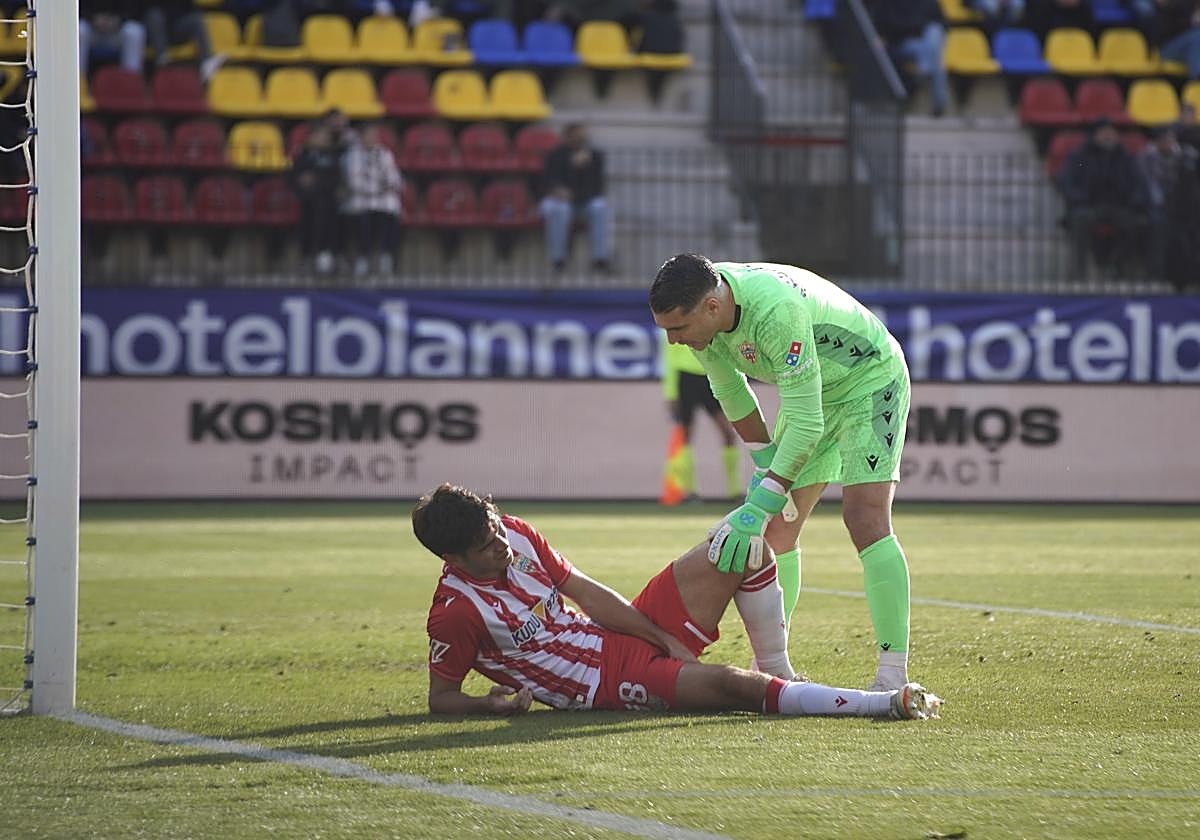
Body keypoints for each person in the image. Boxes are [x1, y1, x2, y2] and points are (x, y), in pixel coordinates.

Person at [415, 483, 942, 719]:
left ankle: (783, 672)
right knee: (734, 686)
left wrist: (659, 635)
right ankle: (885, 705)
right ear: (454, 558)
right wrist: (492, 704)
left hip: (618, 635)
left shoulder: (515, 532)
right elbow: (442, 697)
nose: (501, 544)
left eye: (495, 528)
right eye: (486, 546)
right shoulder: (456, 612)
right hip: (601, 685)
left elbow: (586, 592)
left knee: (741, 547)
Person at [649, 255, 916, 692]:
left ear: (711, 308)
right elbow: (734, 396)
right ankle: (773, 670)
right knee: (777, 530)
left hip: (870, 380)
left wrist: (762, 498)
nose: (674, 341)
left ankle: (893, 673)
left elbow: (807, 423)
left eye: (678, 328)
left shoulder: (774, 310)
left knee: (864, 520)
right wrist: (765, 470)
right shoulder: (707, 330)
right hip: (812, 394)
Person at [1056, 118, 1150, 278]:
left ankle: (1121, 271)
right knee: (1079, 221)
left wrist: (1135, 201)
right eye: (1104, 132)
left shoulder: (1125, 156)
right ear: (1094, 135)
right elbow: (1065, 181)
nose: (1109, 136)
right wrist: (1079, 199)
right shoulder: (1080, 156)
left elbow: (1140, 184)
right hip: (1089, 206)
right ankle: (1079, 274)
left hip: (1119, 206)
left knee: (1134, 225)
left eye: (1111, 132)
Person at [660, 333, 742, 502]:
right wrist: (671, 392)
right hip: (685, 377)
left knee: (728, 432)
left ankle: (734, 490)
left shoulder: (709, 316)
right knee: (686, 435)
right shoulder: (676, 322)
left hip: (710, 375)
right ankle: (691, 491)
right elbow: (669, 357)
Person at [540, 123, 613, 273]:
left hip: (583, 201)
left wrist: (580, 168)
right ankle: (558, 259)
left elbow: (597, 188)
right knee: (560, 209)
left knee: (600, 206)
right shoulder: (555, 154)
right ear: (567, 137)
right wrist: (559, 189)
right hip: (557, 201)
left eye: (582, 137)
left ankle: (600, 258)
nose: (579, 140)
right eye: (575, 136)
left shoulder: (594, 156)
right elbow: (547, 181)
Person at [867, 0, 948, 117]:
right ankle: (929, 82)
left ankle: (924, 69)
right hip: (901, 43)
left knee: (935, 32)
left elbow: (943, 23)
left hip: (925, 43)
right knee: (936, 59)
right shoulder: (889, 3)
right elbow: (885, 26)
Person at [1139, 124, 1199, 281]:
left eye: (1170, 139)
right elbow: (1148, 184)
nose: (1167, 142)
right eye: (1163, 140)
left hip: (1184, 204)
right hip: (1155, 204)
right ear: (1156, 142)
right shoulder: (1146, 157)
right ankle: (1158, 274)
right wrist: (1161, 202)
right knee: (1158, 225)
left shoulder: (1188, 156)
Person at [343, 122, 403, 277]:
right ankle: (363, 257)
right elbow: (354, 182)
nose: (373, 138)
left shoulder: (384, 153)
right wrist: (376, 190)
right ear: (361, 137)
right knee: (363, 220)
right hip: (361, 199)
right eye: (369, 135)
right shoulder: (353, 154)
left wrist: (389, 185)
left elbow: (394, 177)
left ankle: (386, 256)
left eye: (375, 135)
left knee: (391, 218)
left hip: (383, 200)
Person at [291, 123, 345, 275]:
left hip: (328, 199)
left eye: (326, 137)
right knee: (310, 212)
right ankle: (306, 256)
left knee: (330, 210)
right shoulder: (302, 155)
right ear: (311, 138)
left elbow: (336, 178)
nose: (324, 139)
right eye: (321, 136)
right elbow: (293, 177)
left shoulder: (333, 156)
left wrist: (317, 179)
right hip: (306, 199)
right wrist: (302, 181)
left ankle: (329, 254)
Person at [143, 1, 226, 82]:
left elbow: (191, 9)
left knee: (195, 19)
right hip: (153, 32)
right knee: (154, 15)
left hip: (175, 29)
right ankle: (163, 60)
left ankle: (206, 63)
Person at [79, 1, 147, 77]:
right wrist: (92, 18)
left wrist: (118, 19)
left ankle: (130, 82)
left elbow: (135, 9)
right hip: (93, 31)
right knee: (80, 30)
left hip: (117, 31)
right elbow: (78, 7)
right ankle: (79, 81)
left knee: (134, 31)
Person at [1158, 0, 1200, 79]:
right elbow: (1164, 31)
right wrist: (1192, 21)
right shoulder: (1177, 4)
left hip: (1190, 51)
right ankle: (1197, 79)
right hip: (1167, 49)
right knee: (1198, 36)